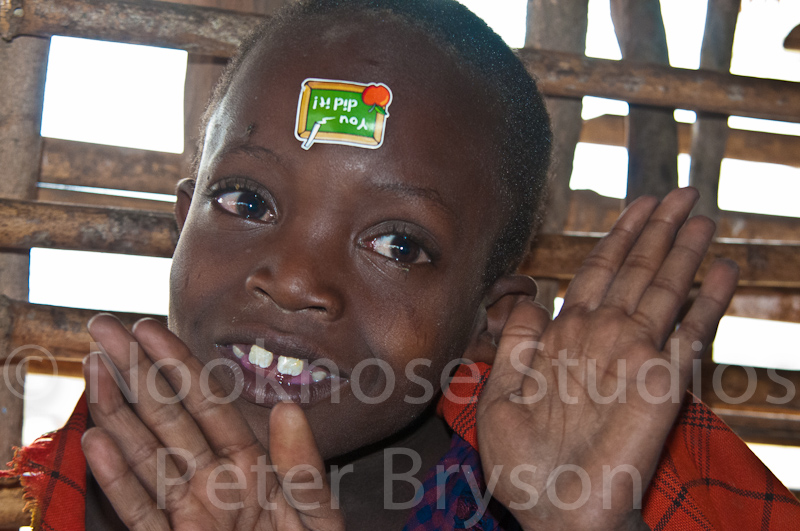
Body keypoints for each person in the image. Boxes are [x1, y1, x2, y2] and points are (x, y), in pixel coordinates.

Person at [5, 0, 799, 529]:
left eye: (398, 245)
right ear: (182, 225)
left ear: (487, 319)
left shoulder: (605, 469)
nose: (294, 280)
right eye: (247, 201)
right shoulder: (118, 473)